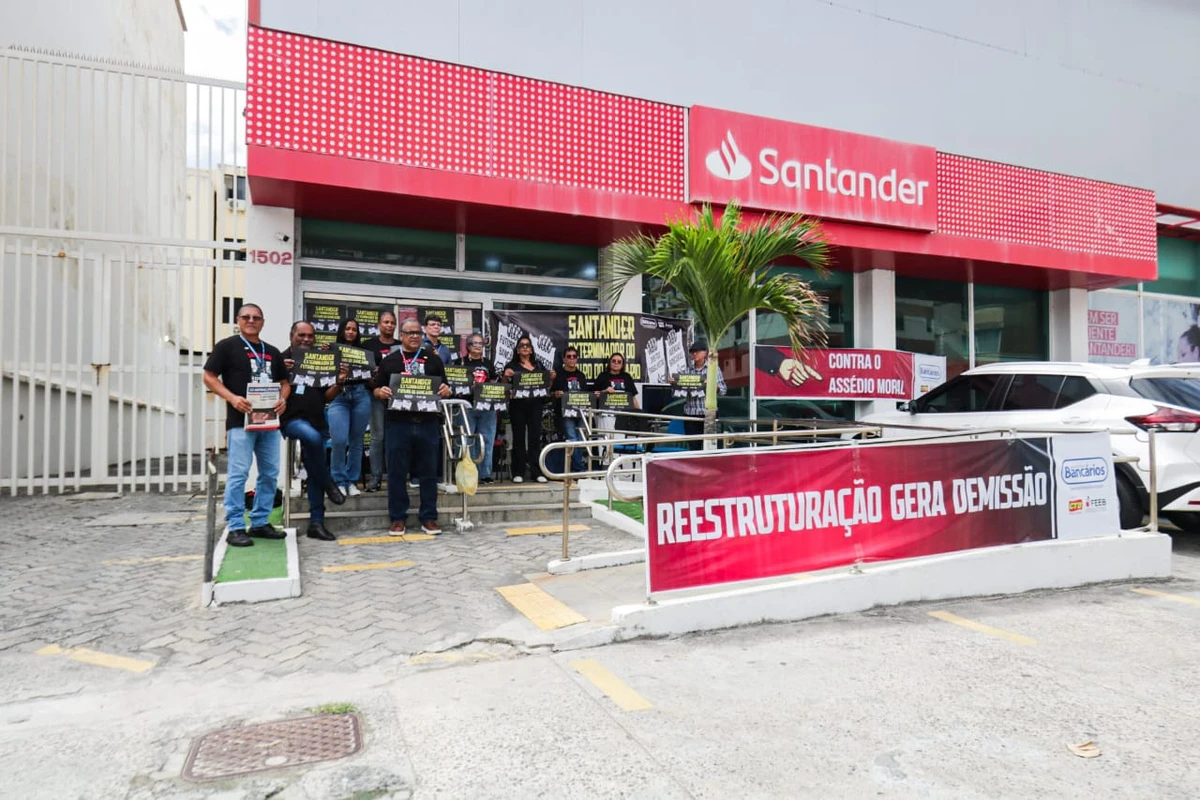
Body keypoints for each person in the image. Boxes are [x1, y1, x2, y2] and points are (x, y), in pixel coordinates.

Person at [202, 303, 289, 547]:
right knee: (239, 474)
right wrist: (232, 398)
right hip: (240, 421)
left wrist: (283, 399)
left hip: (269, 423)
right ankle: (236, 526)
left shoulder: (271, 351)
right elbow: (208, 376)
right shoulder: (227, 347)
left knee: (270, 473)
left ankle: (260, 521)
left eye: (256, 317)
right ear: (238, 320)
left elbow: (285, 381)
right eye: (246, 317)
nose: (251, 321)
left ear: (263, 322)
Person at [372, 317, 452, 535]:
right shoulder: (391, 361)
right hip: (399, 423)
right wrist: (381, 392)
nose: (415, 336)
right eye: (410, 333)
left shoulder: (433, 360)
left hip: (427, 423)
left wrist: (446, 390)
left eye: (418, 332)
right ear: (402, 335)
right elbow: (376, 389)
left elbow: (446, 387)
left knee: (428, 472)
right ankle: (398, 518)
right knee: (397, 473)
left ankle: (429, 517)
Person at [281, 321, 347, 541]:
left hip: (318, 421)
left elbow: (325, 397)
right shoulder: (281, 360)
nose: (306, 339)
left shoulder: (319, 360)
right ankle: (329, 482)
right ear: (291, 335)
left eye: (310, 336)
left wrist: (339, 382)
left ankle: (316, 523)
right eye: (302, 335)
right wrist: (283, 371)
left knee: (314, 462)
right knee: (313, 438)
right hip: (292, 420)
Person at [327, 319, 374, 496]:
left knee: (357, 441)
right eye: (347, 328)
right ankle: (339, 480)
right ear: (341, 330)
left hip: (361, 393)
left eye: (354, 329)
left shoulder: (363, 352)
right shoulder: (331, 350)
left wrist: (373, 371)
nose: (351, 332)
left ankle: (352, 481)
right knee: (339, 440)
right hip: (339, 395)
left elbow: (371, 378)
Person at [503, 335, 555, 483]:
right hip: (517, 406)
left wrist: (551, 378)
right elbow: (504, 387)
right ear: (517, 350)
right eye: (522, 346)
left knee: (535, 439)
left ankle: (537, 472)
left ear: (531, 350)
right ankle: (517, 472)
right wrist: (506, 377)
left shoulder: (539, 365)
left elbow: (547, 388)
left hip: (536, 406)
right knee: (518, 439)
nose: (525, 347)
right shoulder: (511, 365)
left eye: (527, 345)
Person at [363, 311, 400, 492]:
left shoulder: (401, 346)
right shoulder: (369, 345)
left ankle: (394, 477)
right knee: (378, 437)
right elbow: (361, 369)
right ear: (379, 324)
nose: (389, 325)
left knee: (396, 437)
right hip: (376, 395)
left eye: (392, 323)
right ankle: (375, 478)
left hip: (399, 398)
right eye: (386, 322)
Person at [461, 334, 499, 484]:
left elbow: (493, 382)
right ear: (468, 346)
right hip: (467, 406)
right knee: (467, 441)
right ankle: (468, 472)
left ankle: (485, 474)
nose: (478, 346)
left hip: (486, 407)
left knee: (487, 440)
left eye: (481, 344)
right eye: (475, 344)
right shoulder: (460, 362)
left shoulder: (488, 363)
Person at [676, 339, 727, 450]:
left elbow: (723, 390)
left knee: (709, 447)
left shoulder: (713, 369)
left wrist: (712, 385)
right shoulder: (687, 371)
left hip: (709, 414)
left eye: (697, 351)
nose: (694, 354)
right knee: (693, 447)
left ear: (705, 353)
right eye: (692, 352)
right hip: (691, 413)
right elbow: (679, 391)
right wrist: (674, 383)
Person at [592, 353, 639, 464]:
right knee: (606, 441)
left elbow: (632, 397)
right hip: (605, 415)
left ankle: (617, 467)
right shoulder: (603, 376)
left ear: (623, 364)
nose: (616, 363)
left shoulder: (627, 377)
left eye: (619, 361)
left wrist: (638, 413)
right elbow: (593, 394)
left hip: (622, 415)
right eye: (614, 361)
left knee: (619, 442)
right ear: (609, 362)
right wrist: (604, 391)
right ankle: (605, 467)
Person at [551, 345, 590, 473]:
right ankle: (579, 468)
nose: (572, 359)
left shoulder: (581, 375)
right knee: (572, 438)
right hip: (565, 413)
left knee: (579, 439)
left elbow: (585, 394)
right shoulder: (558, 374)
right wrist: (555, 394)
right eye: (569, 356)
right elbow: (549, 393)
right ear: (564, 359)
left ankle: (576, 467)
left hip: (580, 413)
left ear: (577, 359)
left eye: (574, 356)